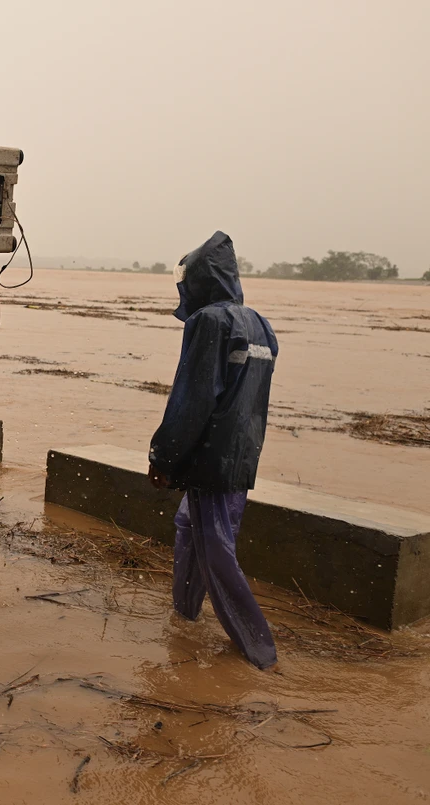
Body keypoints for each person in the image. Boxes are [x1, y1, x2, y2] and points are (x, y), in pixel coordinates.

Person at [148, 231, 279, 670]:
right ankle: (184, 614)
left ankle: (258, 650)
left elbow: (193, 397)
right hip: (242, 455)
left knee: (215, 549)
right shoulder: (260, 324)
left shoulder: (208, 321)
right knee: (190, 527)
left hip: (210, 457)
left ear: (201, 280)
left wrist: (163, 457)